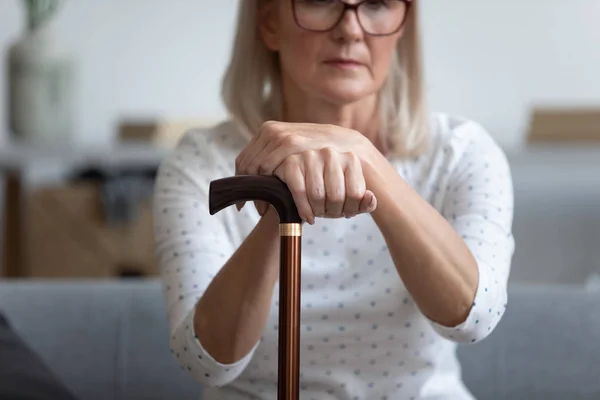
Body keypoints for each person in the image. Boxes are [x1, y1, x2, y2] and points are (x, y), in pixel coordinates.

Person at [153, 0, 515, 398]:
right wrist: (282, 204)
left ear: (403, 26)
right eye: (320, 1)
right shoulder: (202, 163)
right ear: (270, 22)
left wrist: (365, 159)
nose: (351, 30)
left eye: (377, 4)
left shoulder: (462, 153)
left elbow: (474, 318)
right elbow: (205, 361)